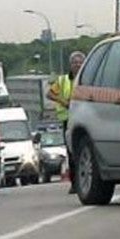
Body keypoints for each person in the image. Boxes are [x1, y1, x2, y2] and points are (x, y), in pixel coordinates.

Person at [48, 51, 85, 193]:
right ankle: (75, 184)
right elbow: (50, 93)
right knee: (72, 152)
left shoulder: (88, 77)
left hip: (85, 118)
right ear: (70, 65)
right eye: (75, 62)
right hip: (68, 120)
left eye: (80, 62)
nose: (77, 65)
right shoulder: (63, 80)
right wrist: (64, 102)